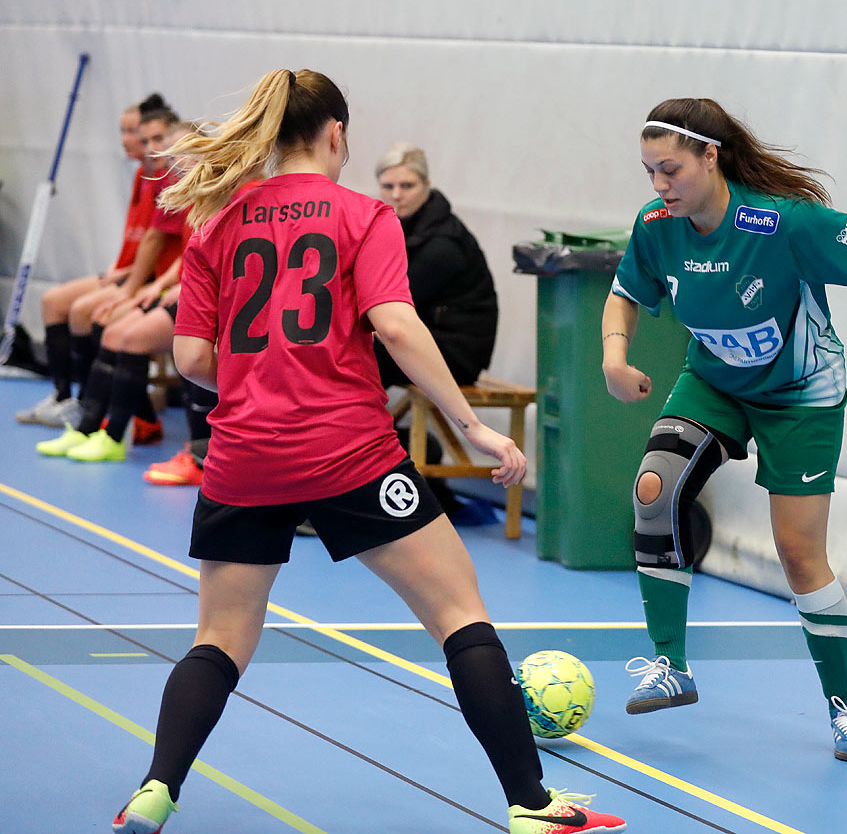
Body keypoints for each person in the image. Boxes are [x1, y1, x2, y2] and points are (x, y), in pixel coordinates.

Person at [109, 69, 625, 834]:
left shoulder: (217, 222)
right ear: (336, 135)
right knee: (459, 614)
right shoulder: (364, 217)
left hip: (243, 457)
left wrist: (259, 381)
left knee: (218, 640)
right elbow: (397, 326)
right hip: (349, 453)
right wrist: (472, 425)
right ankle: (532, 804)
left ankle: (154, 790)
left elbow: (189, 357)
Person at [602, 98, 847, 763]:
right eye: (650, 171)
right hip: (714, 381)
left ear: (711, 157)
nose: (659, 185)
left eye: (671, 169)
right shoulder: (658, 225)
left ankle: (846, 709)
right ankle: (670, 663)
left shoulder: (783, 223)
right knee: (655, 488)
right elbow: (628, 289)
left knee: (800, 554)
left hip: (802, 392)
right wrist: (614, 355)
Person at [16, 94, 170, 427]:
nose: (130, 141)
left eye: (137, 133)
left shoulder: (167, 180)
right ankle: (65, 397)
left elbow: (159, 245)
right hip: (129, 273)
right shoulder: (142, 178)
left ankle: (98, 406)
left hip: (144, 279)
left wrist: (129, 283)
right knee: (52, 300)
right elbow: (142, 240)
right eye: (127, 133)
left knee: (85, 312)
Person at [372, 144, 500, 518]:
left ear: (426, 184)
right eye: (388, 185)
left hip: (458, 352)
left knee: (354, 360)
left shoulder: (443, 241)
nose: (397, 195)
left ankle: (368, 457)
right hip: (434, 338)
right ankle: (399, 454)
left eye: (407, 185)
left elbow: (391, 303)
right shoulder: (404, 226)